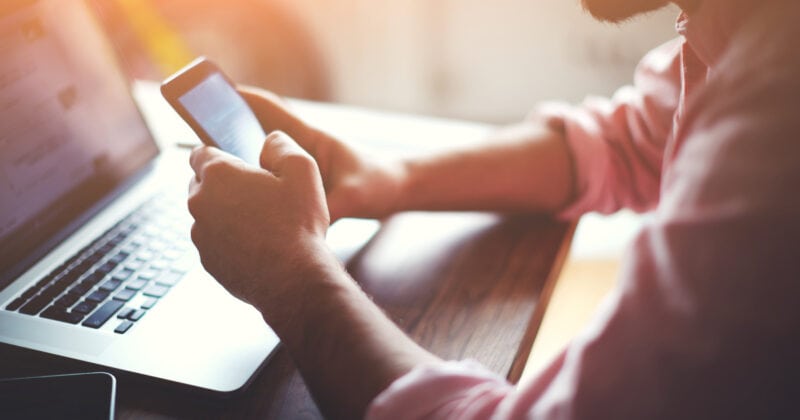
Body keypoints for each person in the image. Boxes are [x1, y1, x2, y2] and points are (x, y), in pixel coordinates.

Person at [186, 0, 800, 418]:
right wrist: (386, 178)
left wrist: (294, 280)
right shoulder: (745, 27)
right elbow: (634, 139)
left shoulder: (776, 120)